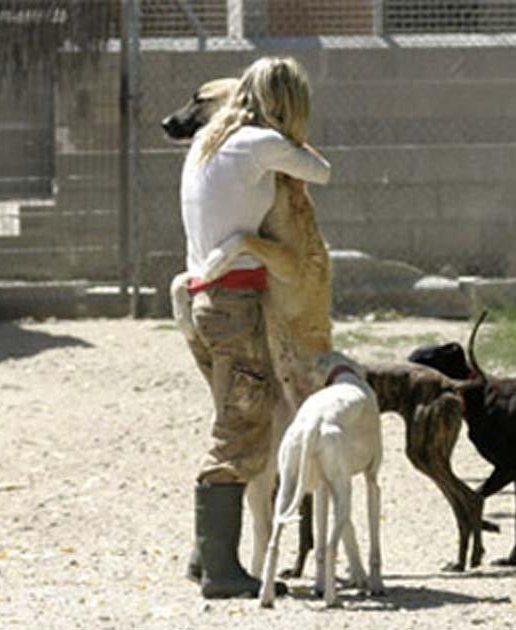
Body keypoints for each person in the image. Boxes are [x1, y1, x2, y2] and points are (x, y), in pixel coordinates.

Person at [179, 57, 331, 599]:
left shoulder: (209, 142)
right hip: (236, 303)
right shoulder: (256, 143)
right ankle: (221, 571)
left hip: (202, 301)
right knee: (243, 431)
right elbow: (322, 171)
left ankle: (205, 555)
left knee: (232, 417)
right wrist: (290, 133)